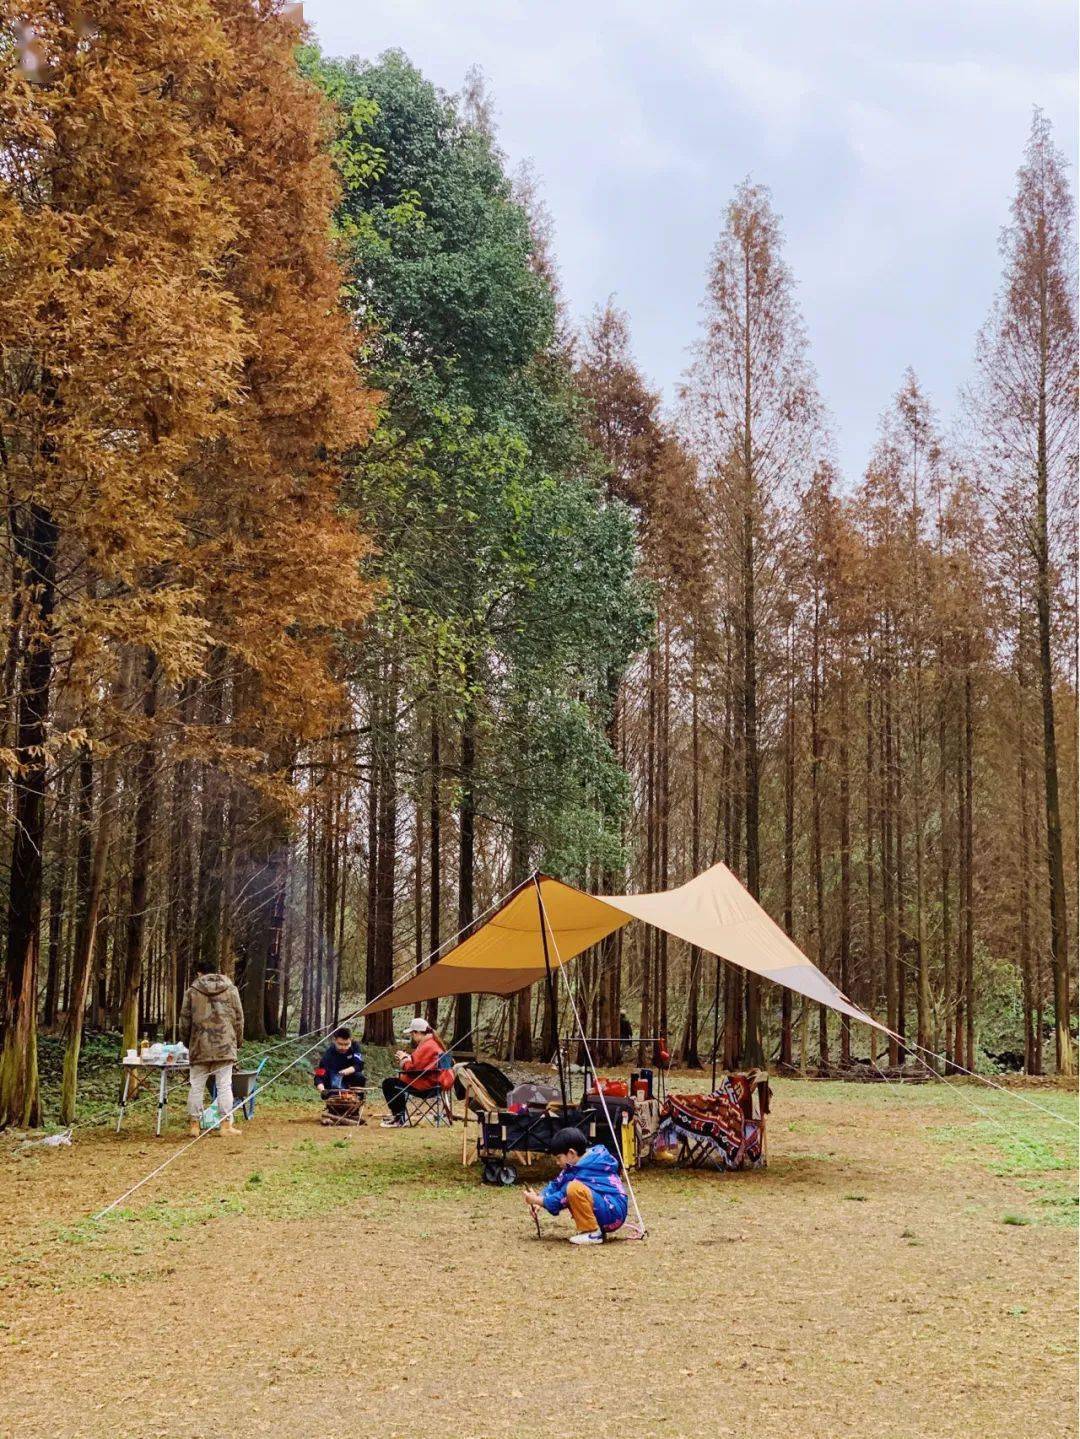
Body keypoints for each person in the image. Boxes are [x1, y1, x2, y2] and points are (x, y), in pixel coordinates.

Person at [523, 1127, 628, 1246]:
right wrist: (540, 1197)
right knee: (572, 1187)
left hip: (613, 1213)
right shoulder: (576, 1166)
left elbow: (562, 1197)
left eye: (558, 1158)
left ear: (571, 1153)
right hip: (606, 1209)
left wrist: (538, 1200)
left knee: (573, 1189)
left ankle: (592, 1232)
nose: (557, 1163)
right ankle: (592, 1230)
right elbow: (557, 1184)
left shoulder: (585, 1171)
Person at [179, 957, 244, 1139]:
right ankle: (225, 1125)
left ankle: (194, 1125)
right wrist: (237, 1042)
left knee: (196, 1086)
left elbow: (184, 1021)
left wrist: (187, 1042)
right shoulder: (230, 989)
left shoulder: (192, 991)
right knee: (224, 1086)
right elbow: (239, 1018)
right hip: (224, 1045)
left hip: (199, 1046)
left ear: (199, 973)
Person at [380, 1017, 445, 1126]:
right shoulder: (433, 1043)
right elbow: (420, 1063)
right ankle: (399, 1116)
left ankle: (399, 1117)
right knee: (395, 1083)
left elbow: (412, 1068)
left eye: (412, 1033)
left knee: (389, 1084)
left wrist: (402, 1060)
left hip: (425, 1086)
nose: (412, 1036)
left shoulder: (427, 1046)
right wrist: (408, 1057)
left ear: (418, 1032)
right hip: (434, 1083)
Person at [314, 1027, 366, 1097]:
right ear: (335, 1041)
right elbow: (318, 1076)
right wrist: (323, 1090)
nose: (343, 1047)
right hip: (333, 1081)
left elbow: (359, 1065)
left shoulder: (355, 1047)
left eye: (346, 1044)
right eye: (340, 1044)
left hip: (350, 1078)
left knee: (360, 1077)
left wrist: (346, 1071)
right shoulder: (328, 1054)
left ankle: (358, 1099)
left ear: (350, 1040)